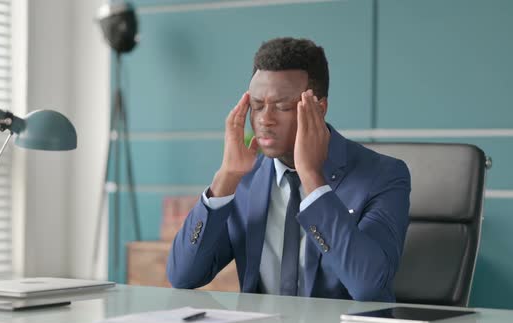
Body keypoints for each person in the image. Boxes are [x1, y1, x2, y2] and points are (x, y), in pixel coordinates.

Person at [167, 37, 411, 302]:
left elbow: (369, 286)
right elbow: (183, 275)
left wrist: (312, 179)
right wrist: (226, 177)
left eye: (282, 107)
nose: (265, 119)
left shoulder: (384, 176)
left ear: (319, 108)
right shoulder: (245, 178)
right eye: (257, 105)